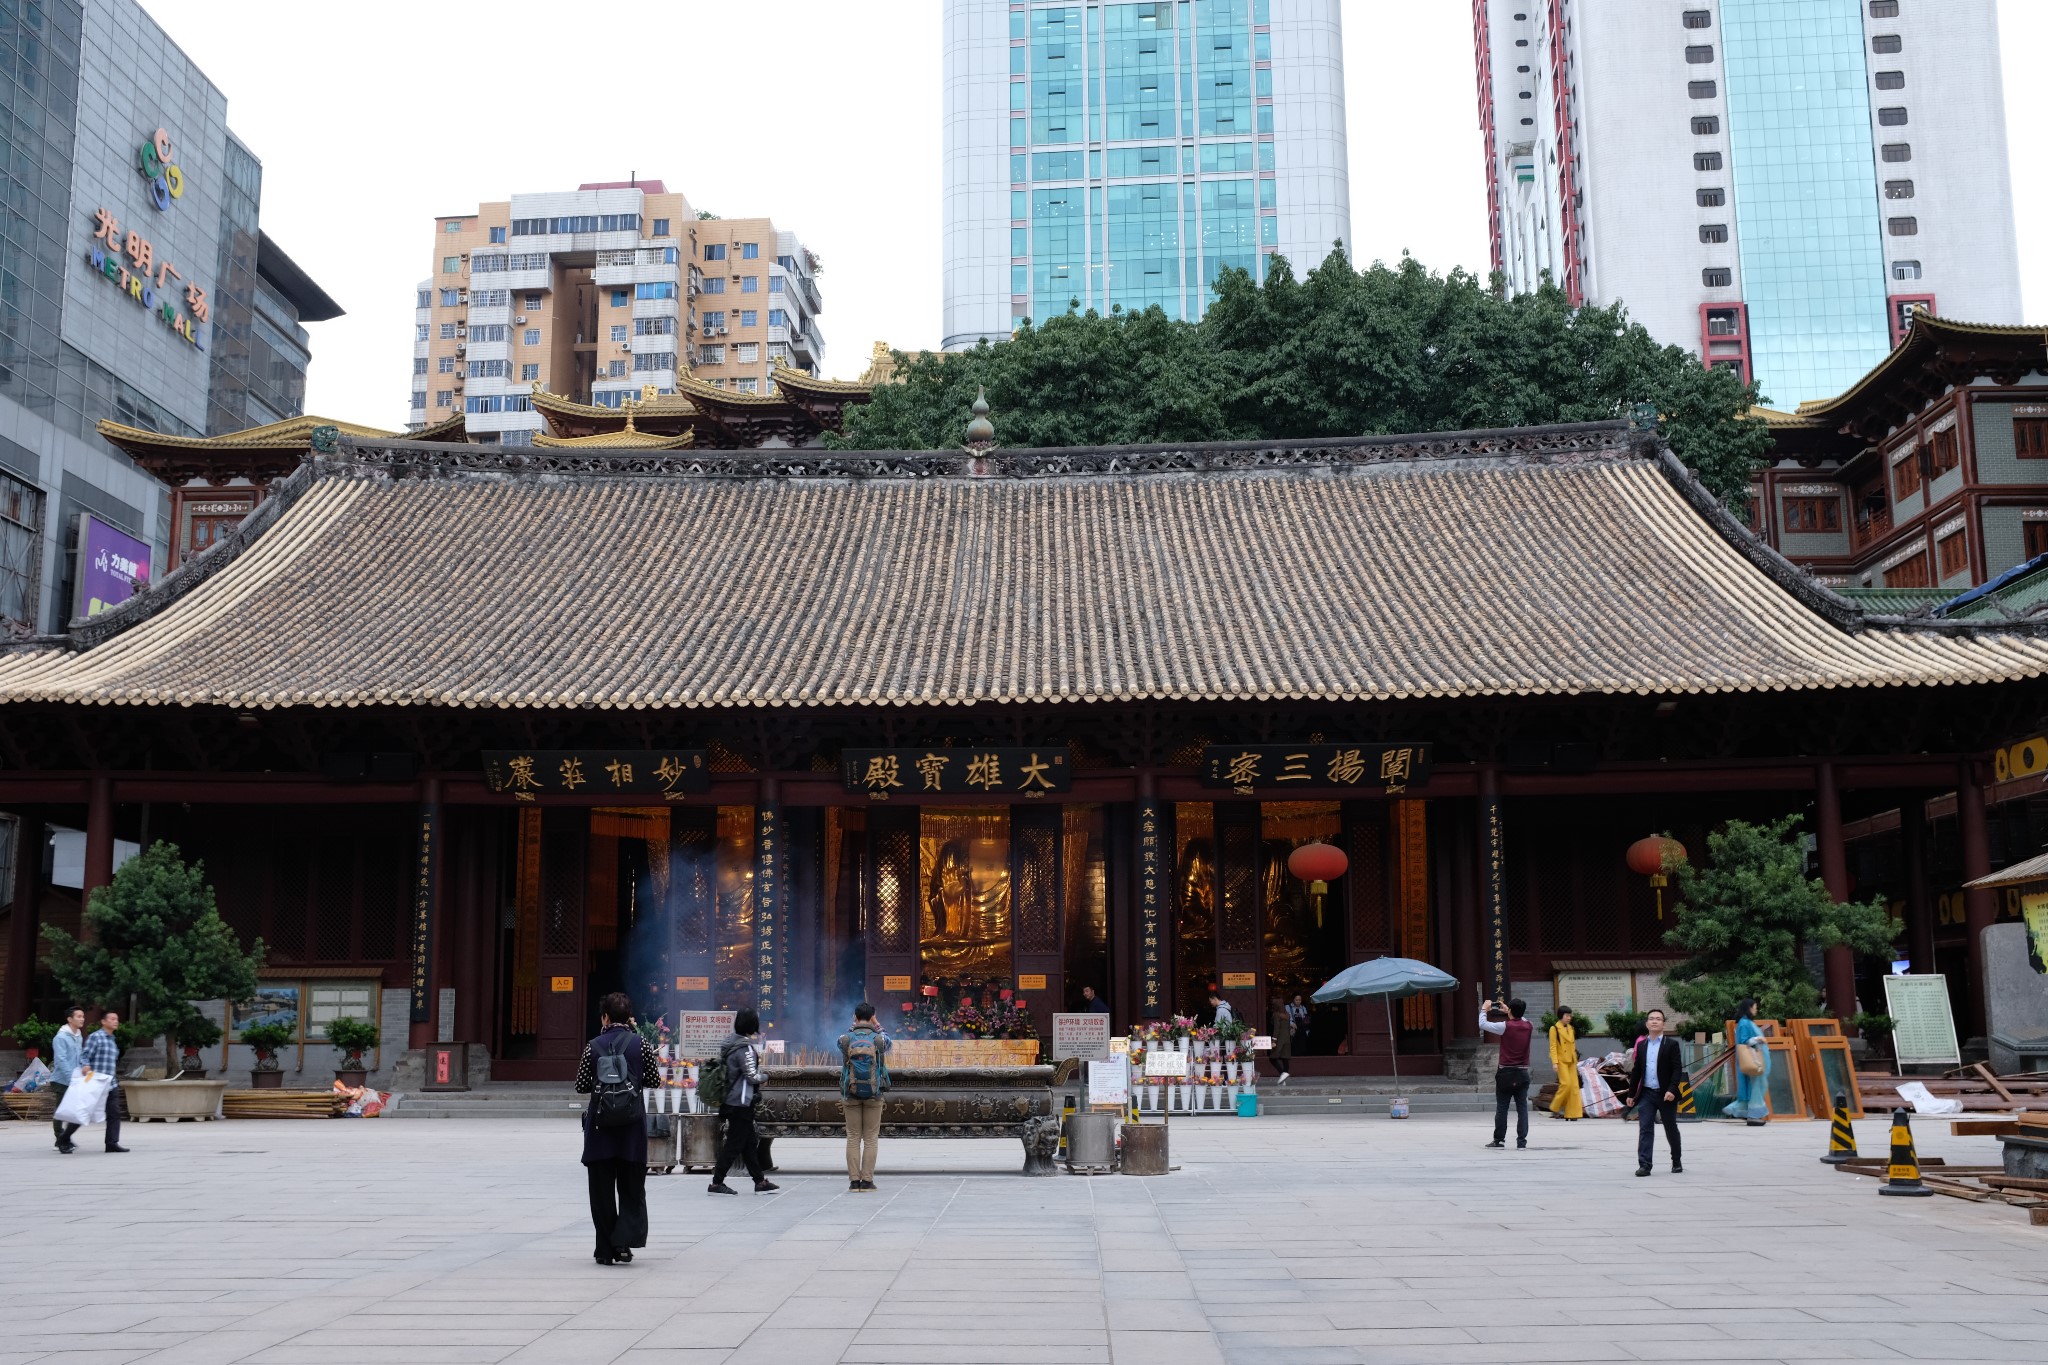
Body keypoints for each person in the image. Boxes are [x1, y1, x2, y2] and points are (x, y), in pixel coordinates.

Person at [573, 992, 659, 1265]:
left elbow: (581, 1085)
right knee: (632, 1190)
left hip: (600, 1130)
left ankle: (605, 1249)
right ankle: (623, 1242)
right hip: (632, 1130)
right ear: (629, 1018)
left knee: (601, 1193)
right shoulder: (641, 1044)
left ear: (605, 1017)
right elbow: (655, 1080)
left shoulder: (592, 1046)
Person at [708, 1008, 779, 1196]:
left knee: (749, 1143)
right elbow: (751, 1075)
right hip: (740, 1103)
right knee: (734, 1144)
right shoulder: (744, 1048)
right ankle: (716, 1183)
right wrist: (766, 1076)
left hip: (731, 1100)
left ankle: (760, 1181)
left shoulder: (730, 1044)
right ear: (752, 1025)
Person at [838, 1002, 892, 1191]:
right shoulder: (879, 1039)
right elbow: (889, 1042)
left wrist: (854, 1026)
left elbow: (843, 1042)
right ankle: (867, 1181)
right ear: (872, 1017)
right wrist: (877, 1024)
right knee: (870, 1137)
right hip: (874, 1093)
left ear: (854, 1017)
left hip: (850, 1092)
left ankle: (854, 1181)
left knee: (853, 1136)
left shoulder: (845, 1038)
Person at [60, 1008, 127, 1154]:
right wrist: (86, 1065)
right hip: (96, 1082)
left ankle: (111, 1143)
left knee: (114, 1113)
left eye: (117, 1019)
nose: (116, 1021)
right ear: (103, 1022)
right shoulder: (96, 1037)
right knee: (84, 1111)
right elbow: (85, 1055)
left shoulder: (113, 1040)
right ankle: (64, 1138)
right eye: (112, 1019)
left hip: (110, 1083)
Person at [1629, 1008, 1685, 1176]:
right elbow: (1637, 1070)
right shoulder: (1642, 1045)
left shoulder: (1671, 1044)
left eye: (1658, 1019)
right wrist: (1632, 1095)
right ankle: (1645, 1165)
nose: (1654, 1021)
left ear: (1663, 1024)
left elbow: (1677, 1069)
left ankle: (1676, 1160)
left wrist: (1672, 1089)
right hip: (1647, 1093)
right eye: (1651, 1019)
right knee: (1645, 1128)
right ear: (1647, 1024)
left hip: (1666, 1094)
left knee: (1670, 1128)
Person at [1479, 997, 1534, 1149]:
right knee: (1522, 1108)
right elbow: (1522, 1018)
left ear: (1510, 1011)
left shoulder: (1505, 1026)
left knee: (1502, 1107)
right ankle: (1521, 1141)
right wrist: (1509, 1011)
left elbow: (1482, 1024)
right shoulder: (1529, 1025)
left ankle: (1499, 1140)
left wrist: (1484, 1009)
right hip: (1522, 1072)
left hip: (1506, 1073)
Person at [1724, 997, 1770, 1126]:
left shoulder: (1745, 1022)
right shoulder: (1745, 1023)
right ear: (1749, 1008)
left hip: (1751, 1059)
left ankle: (1746, 1113)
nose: (1756, 1010)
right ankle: (1753, 1116)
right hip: (1751, 1060)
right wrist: (1758, 1038)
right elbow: (1744, 1041)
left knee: (1753, 1087)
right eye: (1755, 1008)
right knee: (1754, 1087)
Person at [49, 1007, 85, 1154]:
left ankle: (65, 1137)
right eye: (78, 1016)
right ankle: (60, 1139)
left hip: (75, 1079)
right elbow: (61, 1060)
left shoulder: (78, 1035)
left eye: (83, 1016)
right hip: (62, 1080)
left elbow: (80, 1057)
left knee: (73, 1110)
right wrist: (71, 1077)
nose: (82, 1019)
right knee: (60, 1111)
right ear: (69, 1019)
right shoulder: (61, 1037)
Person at [1547, 1006, 1583, 1121]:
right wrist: (1555, 1062)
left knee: (1574, 1087)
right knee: (1566, 1084)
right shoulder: (1554, 1029)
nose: (1569, 1018)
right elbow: (1552, 1047)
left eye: (1570, 1015)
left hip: (1571, 1061)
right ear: (1561, 1016)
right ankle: (1555, 1106)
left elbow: (1573, 1046)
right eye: (1566, 1016)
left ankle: (1572, 1114)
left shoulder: (1571, 1028)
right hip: (1561, 1061)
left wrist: (1576, 1060)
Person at [1267, 995, 1292, 1084]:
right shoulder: (1287, 1015)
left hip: (1279, 1040)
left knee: (1272, 1058)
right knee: (1285, 1058)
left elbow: (1276, 1029)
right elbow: (1288, 1028)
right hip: (1287, 1039)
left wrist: (1273, 1041)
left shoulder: (1276, 1015)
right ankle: (1284, 1077)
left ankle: (1282, 1074)